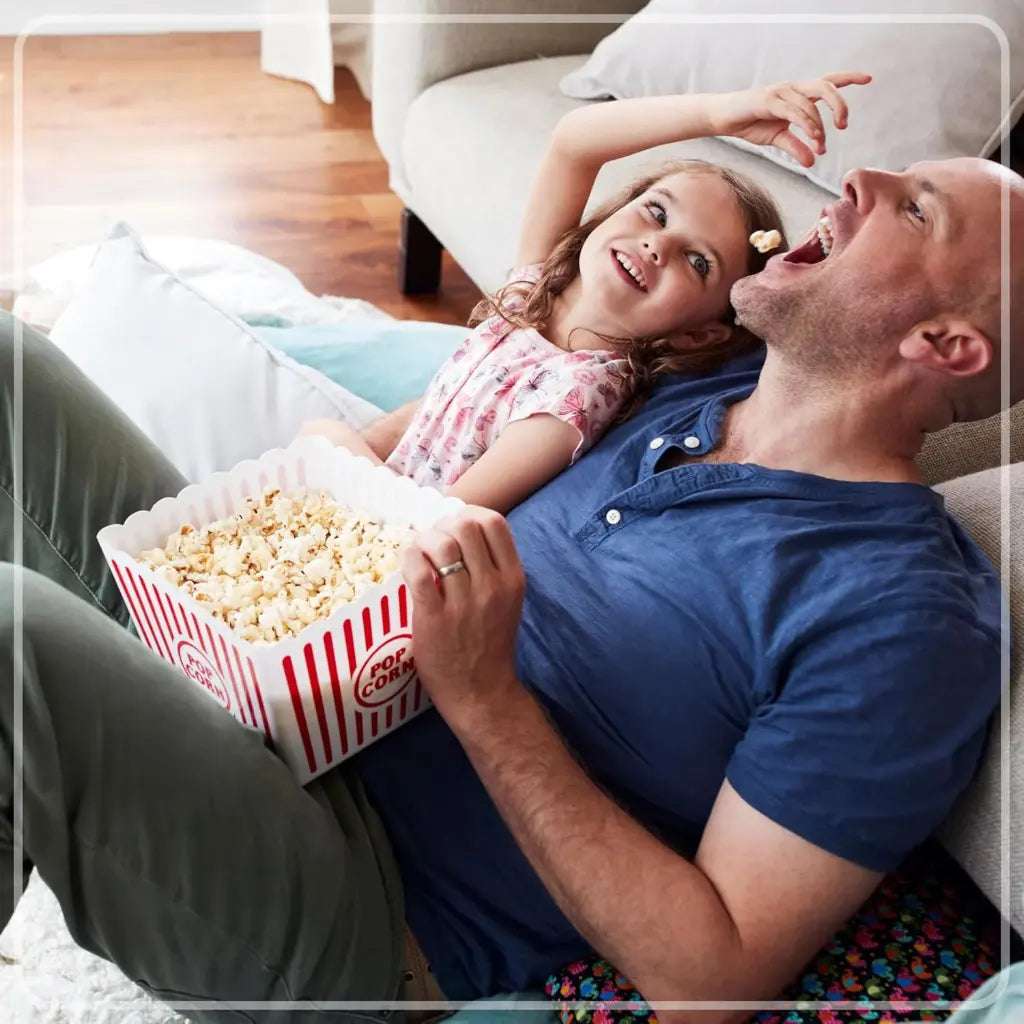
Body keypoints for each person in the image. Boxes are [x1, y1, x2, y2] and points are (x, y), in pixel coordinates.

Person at [0, 153, 1021, 1024]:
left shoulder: (905, 615)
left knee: (12, 634)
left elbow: (708, 976)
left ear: (944, 345)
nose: (860, 178)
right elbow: (547, 270)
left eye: (915, 208)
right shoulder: (690, 380)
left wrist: (485, 698)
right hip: (274, 683)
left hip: (365, 894)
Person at [300, 73, 868, 513]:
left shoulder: (580, 395)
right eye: (655, 211)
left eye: (698, 261)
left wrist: (340, 449)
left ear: (699, 332)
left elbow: (446, 519)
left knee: (317, 431)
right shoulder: (531, 293)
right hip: (358, 512)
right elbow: (574, 142)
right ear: (614, 213)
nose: (656, 247)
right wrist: (717, 113)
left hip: (390, 563)